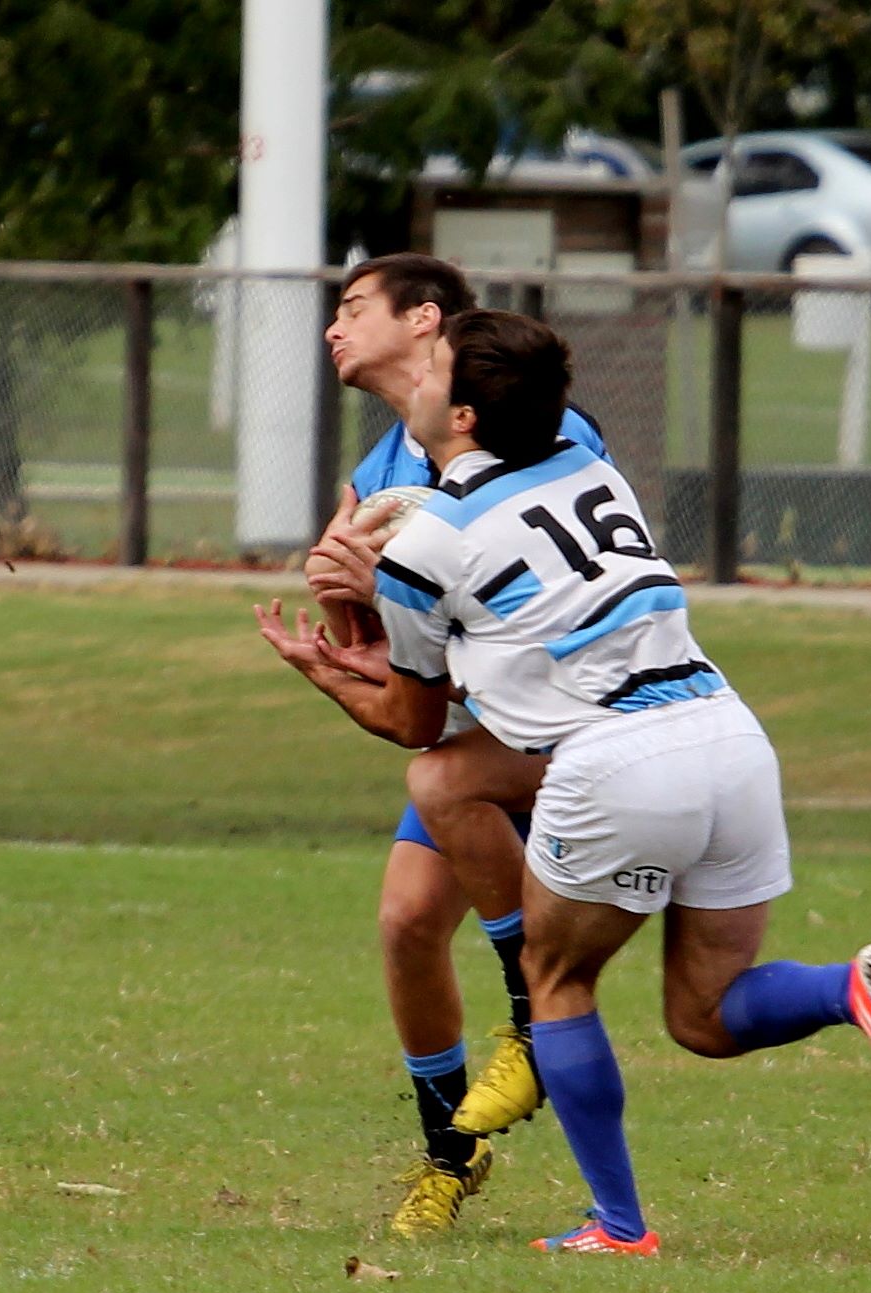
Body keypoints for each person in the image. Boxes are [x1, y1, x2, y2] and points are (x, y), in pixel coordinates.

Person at [257, 308, 871, 1256]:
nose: (415, 382)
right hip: (729, 738)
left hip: (619, 764)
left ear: (462, 417)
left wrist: (331, 669)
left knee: (557, 982)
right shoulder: (590, 469)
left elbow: (414, 724)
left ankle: (619, 1227)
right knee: (705, 1015)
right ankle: (852, 993)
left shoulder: (422, 550)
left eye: (433, 373)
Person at [308, 254, 609, 1237]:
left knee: (698, 1002)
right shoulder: (376, 471)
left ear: (424, 318)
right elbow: (395, 671)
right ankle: (450, 1154)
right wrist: (344, 599)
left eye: (353, 308)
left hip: (571, 717)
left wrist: (415, 555)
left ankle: (538, 1031)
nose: (333, 329)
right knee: (403, 922)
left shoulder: (542, 427)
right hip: (473, 730)